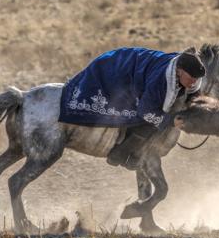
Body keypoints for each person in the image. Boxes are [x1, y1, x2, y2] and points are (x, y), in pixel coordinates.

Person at [59, 47, 205, 167]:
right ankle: (120, 154)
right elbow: (145, 111)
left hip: (135, 69)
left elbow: (193, 95)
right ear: (179, 71)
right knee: (148, 121)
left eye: (196, 79)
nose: (194, 82)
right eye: (191, 77)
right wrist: (170, 120)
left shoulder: (187, 76)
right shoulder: (160, 81)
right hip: (115, 72)